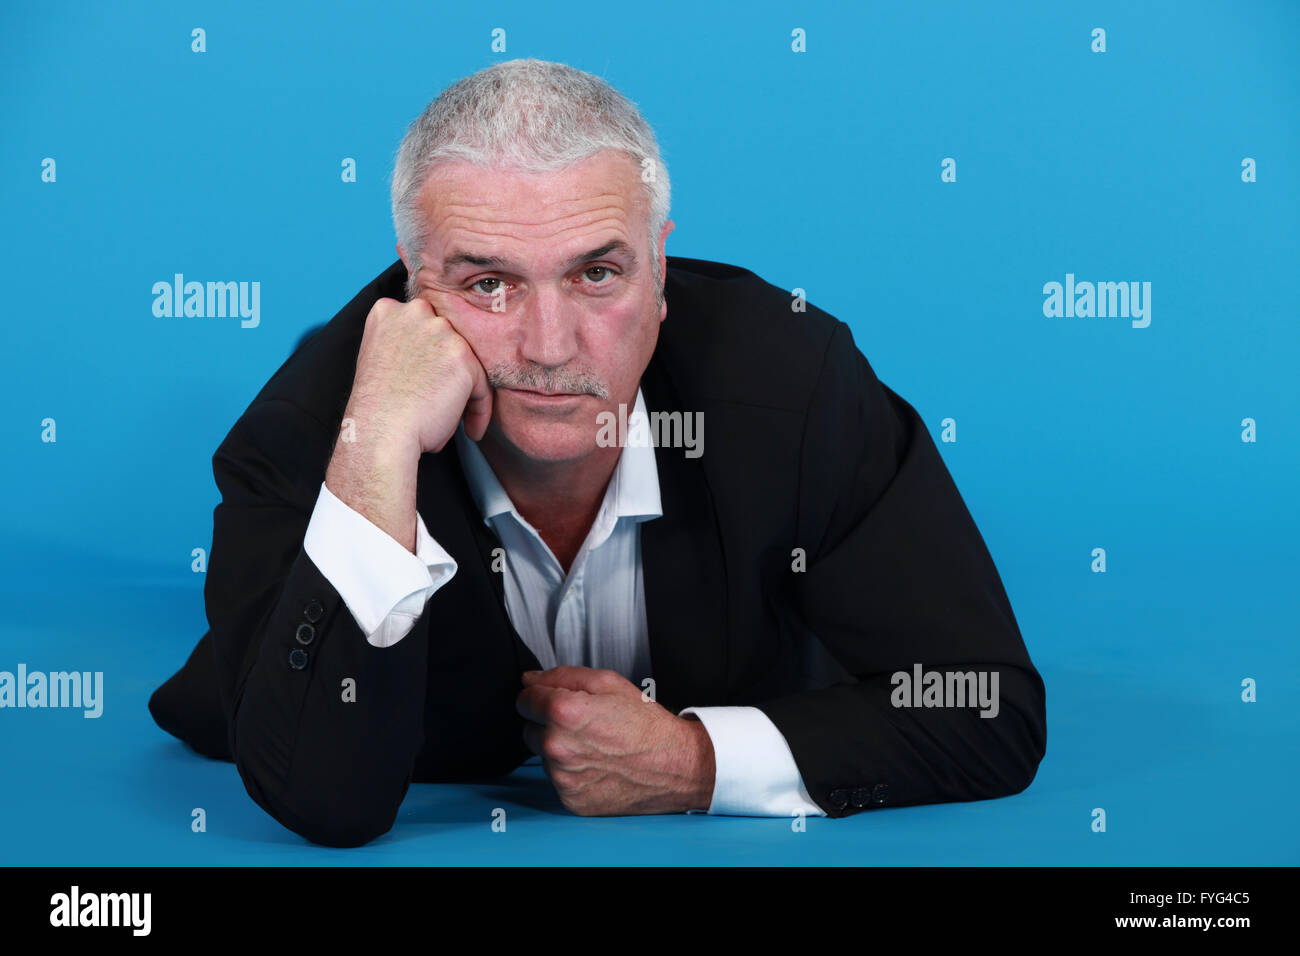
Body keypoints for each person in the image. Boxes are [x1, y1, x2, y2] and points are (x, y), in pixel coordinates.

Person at [150, 57, 1047, 848]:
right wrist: (376, 447)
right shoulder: (309, 437)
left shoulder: (794, 386)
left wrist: (695, 761)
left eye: (596, 274)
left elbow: (985, 704)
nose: (549, 345)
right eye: (487, 283)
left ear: (659, 272)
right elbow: (321, 796)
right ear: (412, 283)